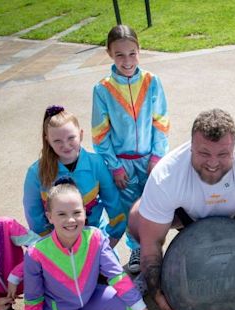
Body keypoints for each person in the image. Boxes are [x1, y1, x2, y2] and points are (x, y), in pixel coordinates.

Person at [128, 108, 235, 310]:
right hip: (187, 218)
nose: (212, 163)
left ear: (234, 149)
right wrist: (156, 290)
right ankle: (151, 276)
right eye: (204, 153)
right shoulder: (166, 175)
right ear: (191, 147)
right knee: (138, 218)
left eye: (223, 154)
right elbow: (151, 243)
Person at [23, 181, 158, 310]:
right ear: (49, 216)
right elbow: (33, 298)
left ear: (85, 213)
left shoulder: (95, 237)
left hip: (88, 298)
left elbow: (117, 277)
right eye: (61, 214)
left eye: (77, 212)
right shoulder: (36, 254)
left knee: (132, 306)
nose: (71, 220)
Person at [23, 105, 126, 310]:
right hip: (56, 242)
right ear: (47, 140)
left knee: (111, 276)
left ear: (80, 134)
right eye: (57, 141)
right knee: (54, 278)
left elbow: (114, 204)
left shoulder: (97, 163)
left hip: (91, 237)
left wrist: (111, 237)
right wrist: (57, 245)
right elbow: (35, 217)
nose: (66, 145)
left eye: (71, 138)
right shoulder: (35, 173)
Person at [91, 24, 170, 273]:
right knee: (128, 208)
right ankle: (136, 247)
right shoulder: (102, 89)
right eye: (119, 55)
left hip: (150, 158)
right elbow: (100, 133)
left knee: (154, 203)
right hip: (122, 163)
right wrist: (114, 167)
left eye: (132, 53)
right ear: (109, 54)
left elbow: (161, 121)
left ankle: (155, 248)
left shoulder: (152, 81)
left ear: (139, 50)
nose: (127, 61)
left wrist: (157, 156)